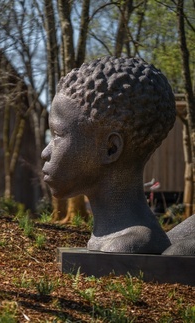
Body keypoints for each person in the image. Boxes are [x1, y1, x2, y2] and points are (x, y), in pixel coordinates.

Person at [41, 56, 175, 254]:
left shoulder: (130, 246)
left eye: (58, 135)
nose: (46, 152)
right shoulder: (113, 241)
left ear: (111, 148)